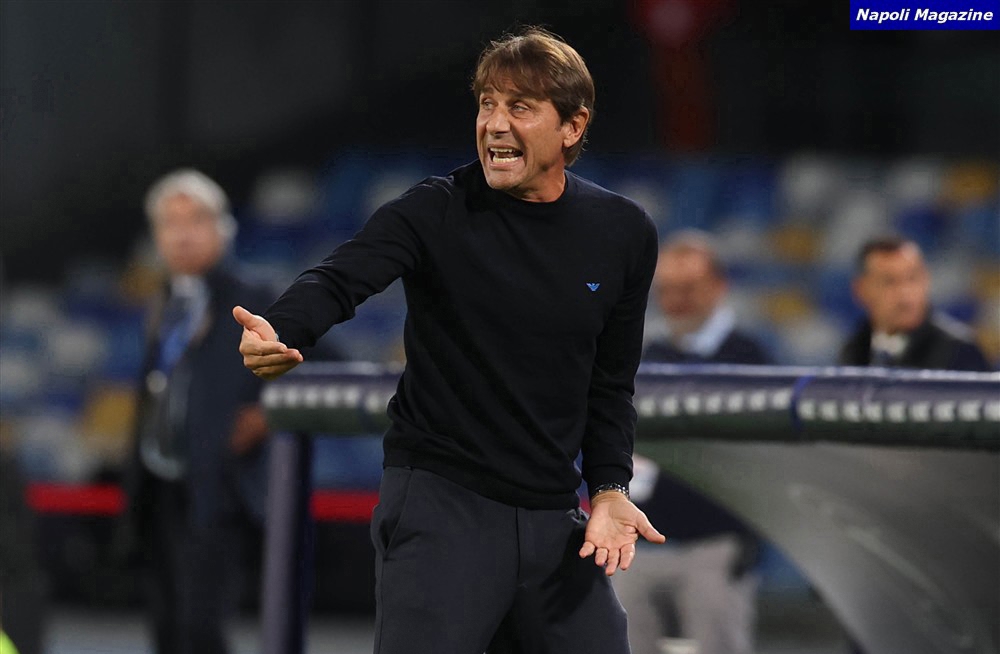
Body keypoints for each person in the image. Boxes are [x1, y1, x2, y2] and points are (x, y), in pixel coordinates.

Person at [234, 27, 665, 654]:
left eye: (520, 107)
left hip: (553, 515)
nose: (494, 123)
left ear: (572, 127)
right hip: (443, 505)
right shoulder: (434, 209)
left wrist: (609, 489)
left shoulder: (624, 232)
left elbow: (610, 384)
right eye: (488, 104)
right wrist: (282, 327)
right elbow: (339, 278)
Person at [119, 169, 278, 654]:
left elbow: (320, 364)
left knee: (200, 630)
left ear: (223, 228)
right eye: (170, 223)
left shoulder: (255, 297)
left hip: (219, 488)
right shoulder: (166, 301)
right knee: (166, 628)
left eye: (196, 220)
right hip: (159, 489)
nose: (183, 234)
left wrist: (268, 414)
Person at [614, 230, 771, 654]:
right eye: (668, 289)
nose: (676, 300)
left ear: (718, 286)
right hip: (644, 542)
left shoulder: (751, 359)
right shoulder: (650, 355)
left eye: (689, 288)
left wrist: (748, 536)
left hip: (715, 542)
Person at [838, 235, 991, 371]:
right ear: (861, 290)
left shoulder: (959, 351)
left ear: (926, 280)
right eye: (889, 281)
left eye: (912, 278)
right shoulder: (854, 350)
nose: (904, 292)